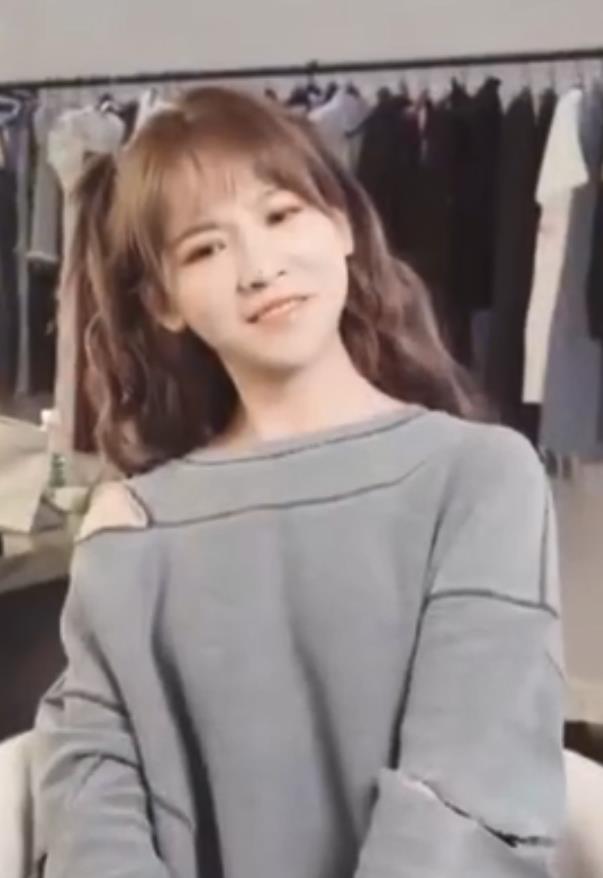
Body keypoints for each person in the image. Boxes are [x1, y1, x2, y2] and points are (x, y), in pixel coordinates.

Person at [33, 86, 565, 878]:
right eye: (205, 249)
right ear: (164, 302)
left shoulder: (477, 476)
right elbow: (92, 793)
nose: (259, 267)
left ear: (342, 225)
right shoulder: (133, 529)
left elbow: (470, 789)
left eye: (280, 215)